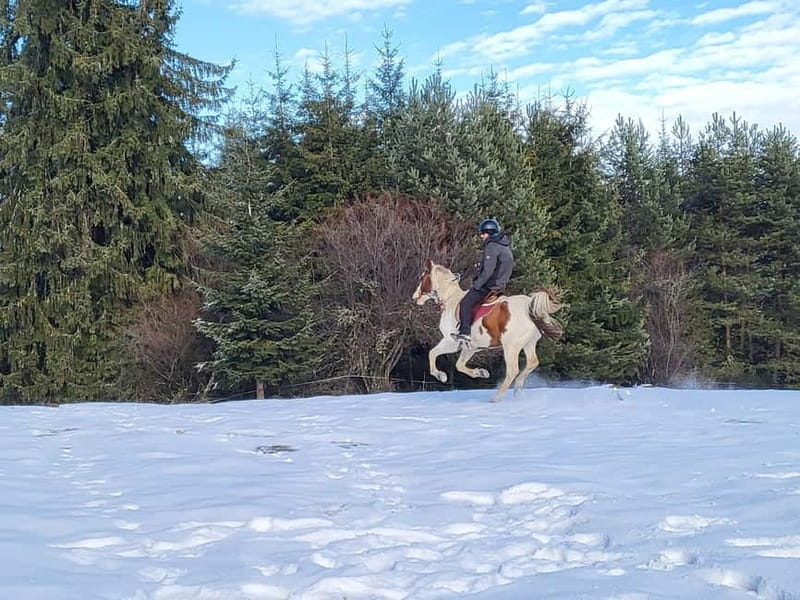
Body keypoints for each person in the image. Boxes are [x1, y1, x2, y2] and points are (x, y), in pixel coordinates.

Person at [453, 218, 514, 346]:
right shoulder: (505, 246)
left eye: (483, 233)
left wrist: (477, 285)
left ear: (489, 233)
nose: (481, 236)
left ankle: (465, 333)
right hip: (501, 285)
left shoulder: (492, 246)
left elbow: (488, 271)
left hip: (490, 285)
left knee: (465, 303)